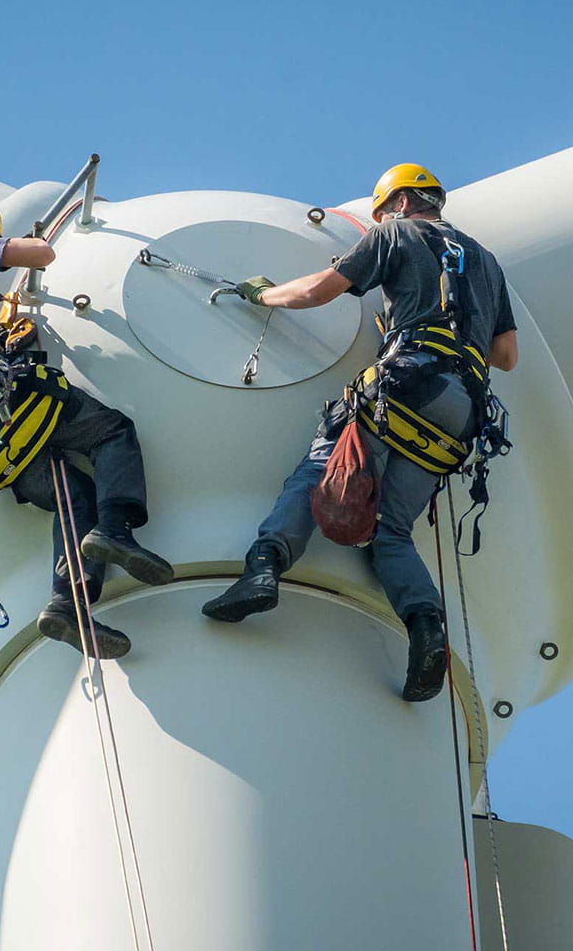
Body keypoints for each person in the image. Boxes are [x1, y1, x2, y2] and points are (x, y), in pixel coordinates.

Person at [201, 164, 518, 701]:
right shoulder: (486, 263)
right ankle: (426, 630)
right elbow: (506, 356)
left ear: (395, 204)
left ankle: (263, 570)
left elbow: (319, 292)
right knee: (390, 531)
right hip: (461, 412)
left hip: (406, 381)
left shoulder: (394, 233)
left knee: (319, 473)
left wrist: (263, 296)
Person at [0, 188, 173, 658]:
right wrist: (24, 245)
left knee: (72, 492)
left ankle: (67, 606)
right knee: (111, 431)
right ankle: (115, 530)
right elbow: (38, 253)